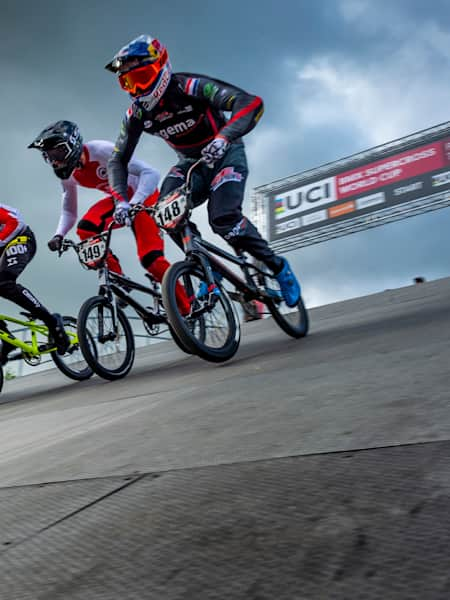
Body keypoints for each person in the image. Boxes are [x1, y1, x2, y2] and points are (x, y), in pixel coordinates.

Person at [104, 35, 301, 308]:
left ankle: (278, 267)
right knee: (165, 212)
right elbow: (117, 160)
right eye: (128, 82)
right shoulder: (136, 114)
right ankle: (207, 268)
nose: (136, 89)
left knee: (223, 219)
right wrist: (120, 200)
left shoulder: (188, 86)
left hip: (225, 154)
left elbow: (250, 102)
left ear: (161, 67)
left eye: (142, 76)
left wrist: (224, 137)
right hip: (190, 163)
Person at [28, 121, 190, 313]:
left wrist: (135, 202)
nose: (55, 162)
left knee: (151, 260)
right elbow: (69, 211)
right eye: (49, 157)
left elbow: (151, 173)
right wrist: (59, 235)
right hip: (118, 201)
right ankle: (119, 278)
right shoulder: (68, 176)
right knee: (86, 228)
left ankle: (185, 308)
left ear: (73, 144)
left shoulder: (101, 150)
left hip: (143, 196)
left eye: (58, 154)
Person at [0, 204, 70, 363]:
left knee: (4, 283)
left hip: (20, 238)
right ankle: (6, 339)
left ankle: (52, 322)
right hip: (3, 246)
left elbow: (15, 223)